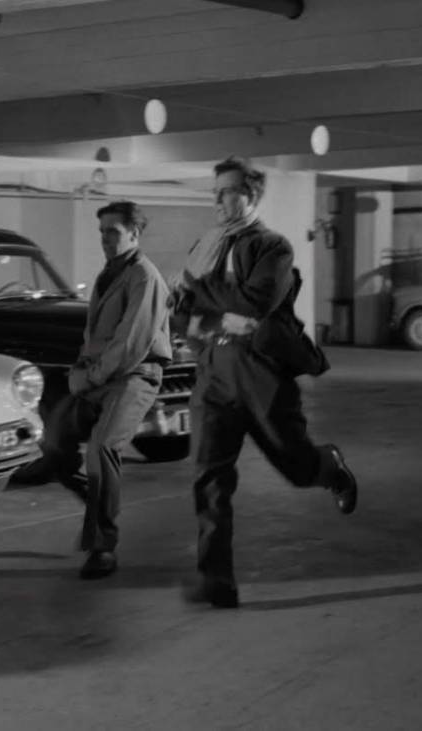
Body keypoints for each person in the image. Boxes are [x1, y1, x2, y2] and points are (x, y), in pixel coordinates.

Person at [169, 156, 358, 609]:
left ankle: (328, 467)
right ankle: (217, 580)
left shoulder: (272, 248)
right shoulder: (205, 246)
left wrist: (201, 293)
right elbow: (179, 312)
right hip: (214, 370)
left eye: (228, 191)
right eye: (215, 192)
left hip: (261, 374)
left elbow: (254, 302)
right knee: (209, 477)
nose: (218, 200)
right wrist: (212, 317)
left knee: (295, 466)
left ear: (251, 195)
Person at [20, 200, 171, 579]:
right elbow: (94, 339)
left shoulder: (144, 277)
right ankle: (100, 499)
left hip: (135, 377)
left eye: (113, 232)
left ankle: (103, 547)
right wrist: (80, 372)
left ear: (134, 233)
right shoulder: (108, 273)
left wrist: (87, 379)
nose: (104, 239)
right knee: (53, 443)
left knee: (102, 449)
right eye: (102, 232)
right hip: (100, 377)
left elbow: (130, 344)